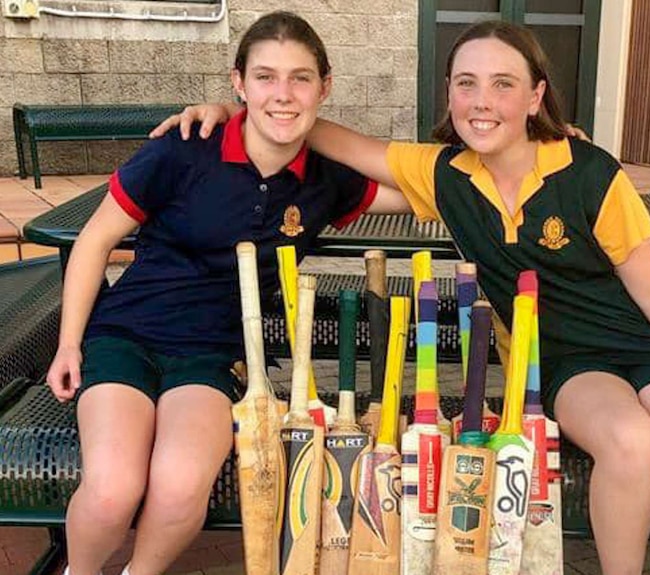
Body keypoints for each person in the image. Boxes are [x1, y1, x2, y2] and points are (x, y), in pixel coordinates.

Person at [156, 20, 650, 575]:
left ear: (536, 96)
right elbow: (323, 133)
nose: (483, 101)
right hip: (563, 360)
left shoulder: (591, 172)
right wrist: (241, 107)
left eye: (504, 84)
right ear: (449, 93)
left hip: (644, 346)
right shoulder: (445, 174)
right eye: (467, 83)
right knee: (629, 438)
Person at [45, 11, 412, 575]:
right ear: (238, 83)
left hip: (214, 355)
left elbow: (422, 191)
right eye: (265, 77)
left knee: (177, 488)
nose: (283, 94)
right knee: (114, 489)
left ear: (325, 87)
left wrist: (525, 150)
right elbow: (94, 241)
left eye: (300, 78)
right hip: (126, 335)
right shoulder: (185, 148)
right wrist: (70, 344)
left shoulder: (325, 178)